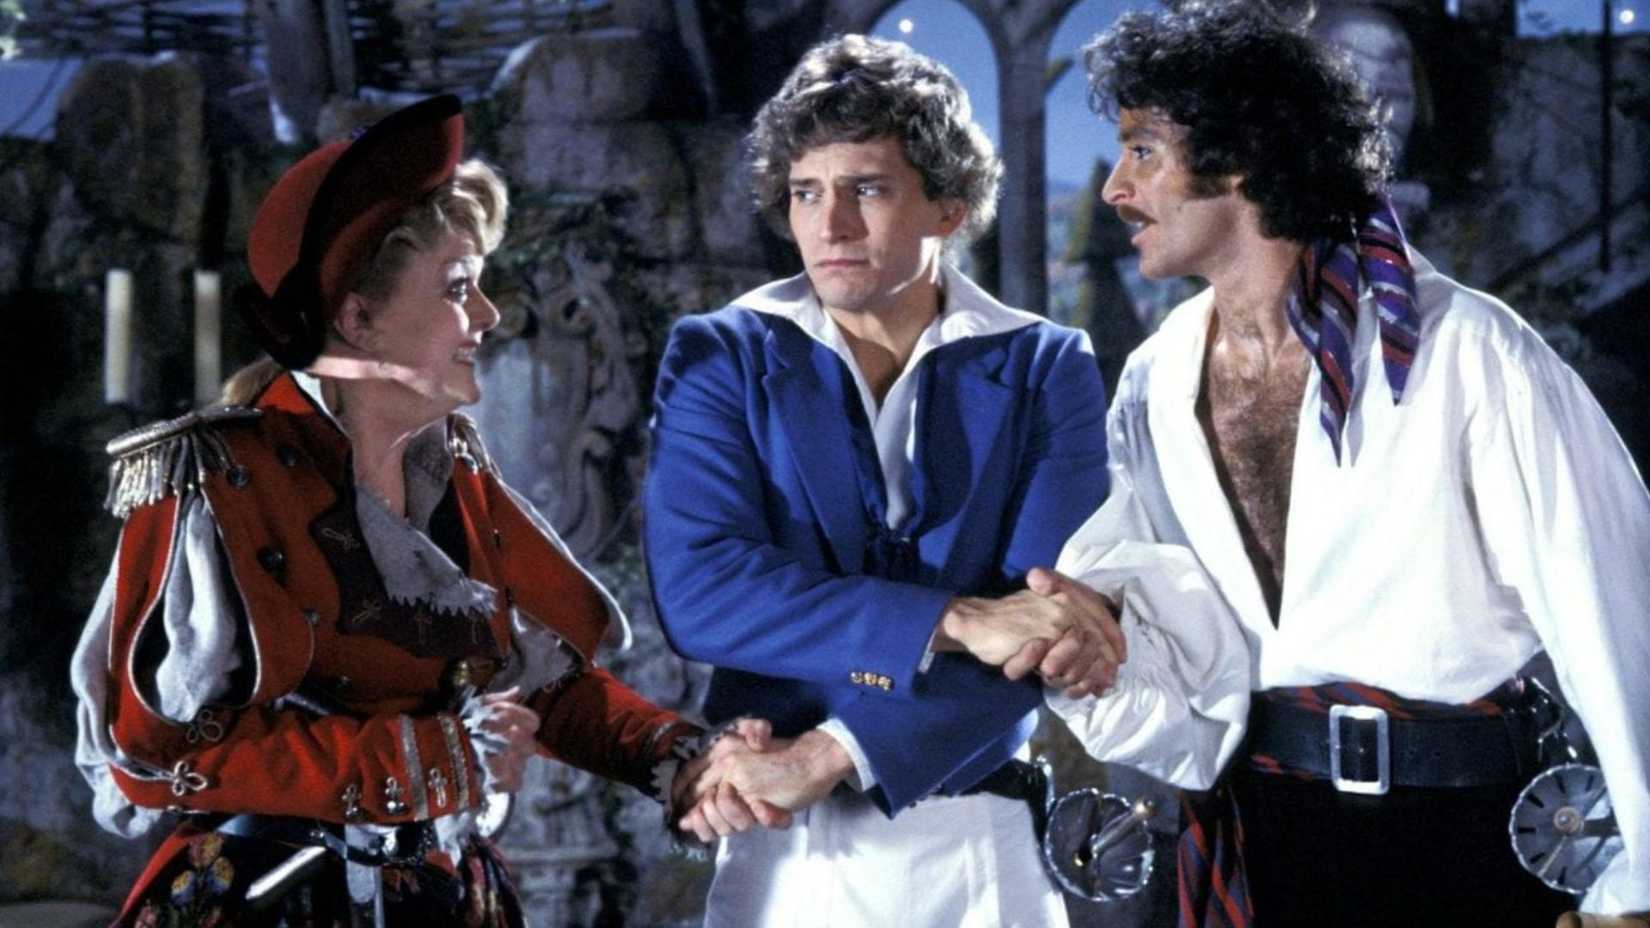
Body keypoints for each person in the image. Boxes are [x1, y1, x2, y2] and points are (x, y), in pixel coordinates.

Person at [70, 95, 760, 926]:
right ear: (359, 317)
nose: (488, 316)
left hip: (444, 896)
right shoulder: (216, 479)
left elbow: (538, 686)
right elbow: (155, 750)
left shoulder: (454, 473)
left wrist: (679, 759)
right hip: (274, 902)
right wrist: (436, 760)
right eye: (459, 288)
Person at [1036, 2, 1650, 925]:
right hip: (1261, 833)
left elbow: (1618, 612)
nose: (1117, 187)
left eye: (1143, 151)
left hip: (1461, 839)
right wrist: (1091, 652)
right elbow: (1174, 640)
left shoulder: (1465, 351)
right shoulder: (1156, 379)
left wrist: (1636, 885)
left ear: (1241, 157)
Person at [642, 34, 1121, 928]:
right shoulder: (721, 354)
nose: (830, 225)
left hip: (980, 840)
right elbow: (702, 593)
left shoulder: (1046, 366)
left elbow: (1048, 628)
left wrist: (829, 753)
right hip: (782, 848)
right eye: (805, 192)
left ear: (950, 204)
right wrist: (959, 618)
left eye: (866, 189)